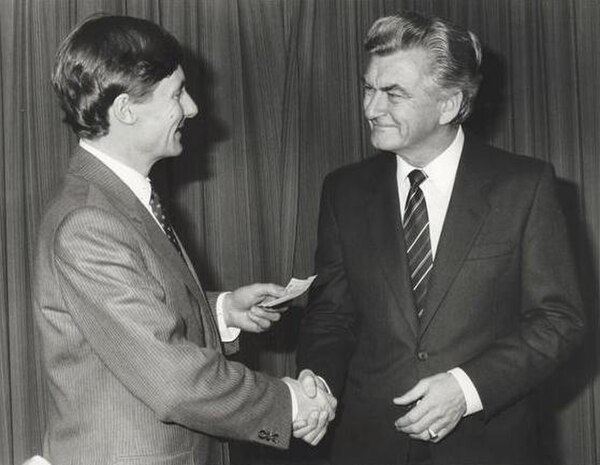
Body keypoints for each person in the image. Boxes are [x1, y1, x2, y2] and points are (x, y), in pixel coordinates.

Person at [34, 15, 335, 465]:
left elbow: (139, 314)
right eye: (176, 94)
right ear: (125, 110)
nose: (192, 108)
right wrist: (288, 402)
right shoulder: (89, 223)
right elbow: (174, 381)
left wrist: (222, 311)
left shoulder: (117, 199)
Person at [296, 11, 585, 465]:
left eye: (393, 93)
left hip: (487, 446)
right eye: (369, 88)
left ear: (449, 104)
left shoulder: (523, 186)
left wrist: (467, 388)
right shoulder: (343, 190)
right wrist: (319, 382)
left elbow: (559, 320)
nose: (371, 108)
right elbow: (331, 316)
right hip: (369, 446)